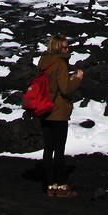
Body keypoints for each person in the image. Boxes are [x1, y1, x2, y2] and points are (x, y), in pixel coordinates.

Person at [35, 35, 84, 197]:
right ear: (58, 48)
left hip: (44, 109)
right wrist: (77, 80)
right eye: (65, 47)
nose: (67, 49)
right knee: (59, 149)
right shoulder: (60, 64)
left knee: (48, 149)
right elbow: (65, 89)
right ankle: (62, 185)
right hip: (58, 112)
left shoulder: (44, 62)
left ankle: (50, 186)